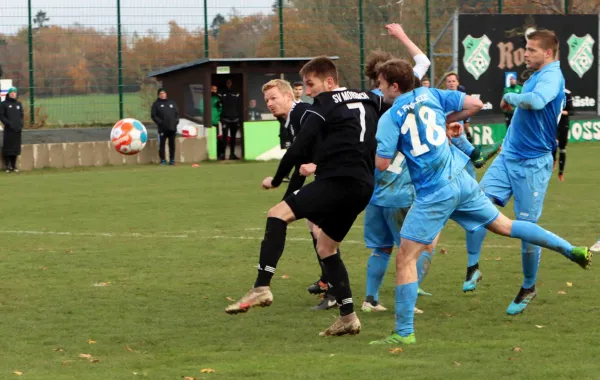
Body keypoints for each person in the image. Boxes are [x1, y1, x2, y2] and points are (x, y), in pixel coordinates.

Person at [369, 58, 592, 345]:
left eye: (381, 83)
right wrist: (444, 121)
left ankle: (403, 333)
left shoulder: (390, 117)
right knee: (507, 225)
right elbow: (474, 104)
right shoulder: (432, 94)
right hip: (462, 181)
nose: (379, 88)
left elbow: (383, 163)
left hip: (434, 192)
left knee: (405, 258)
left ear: (394, 86)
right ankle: (569, 249)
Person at [226, 56, 387, 338]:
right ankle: (348, 317)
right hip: (364, 185)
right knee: (326, 247)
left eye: (311, 85)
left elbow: (298, 149)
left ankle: (262, 286)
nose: (308, 92)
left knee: (277, 215)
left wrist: (276, 180)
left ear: (329, 81)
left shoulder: (324, 105)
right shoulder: (369, 98)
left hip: (338, 180)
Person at [466, 30, 585, 313]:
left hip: (532, 164)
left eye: (531, 50)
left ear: (547, 53)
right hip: (508, 157)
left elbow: (537, 101)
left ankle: (529, 286)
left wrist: (511, 96)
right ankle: (473, 267)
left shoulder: (553, 77)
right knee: (476, 205)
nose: (526, 54)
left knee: (526, 229)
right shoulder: (537, 75)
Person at [361, 24, 434, 314]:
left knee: (381, 247)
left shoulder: (365, 98)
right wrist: (402, 35)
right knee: (415, 247)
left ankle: (370, 299)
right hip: (398, 185)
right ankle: (408, 300)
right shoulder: (395, 97)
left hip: (373, 185)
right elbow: (424, 63)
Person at [262, 78, 335, 311]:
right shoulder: (291, 121)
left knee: (321, 231)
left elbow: (322, 144)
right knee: (313, 226)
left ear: (288, 96)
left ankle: (333, 290)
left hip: (337, 174)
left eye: (274, 98)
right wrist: (287, 199)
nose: (270, 104)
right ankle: (327, 280)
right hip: (326, 175)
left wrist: (276, 181)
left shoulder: (303, 112)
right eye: (266, 100)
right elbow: (300, 161)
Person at [151, 88, 179, 166]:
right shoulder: (156, 104)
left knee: (172, 145)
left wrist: (176, 121)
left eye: (164, 93)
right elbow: (153, 115)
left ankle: (172, 160)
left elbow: (177, 114)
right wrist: (160, 122)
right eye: (161, 93)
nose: (162, 95)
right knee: (162, 145)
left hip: (172, 128)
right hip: (162, 129)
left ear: (166, 94)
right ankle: (163, 160)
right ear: (158, 95)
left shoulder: (172, 103)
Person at [0, 87, 24, 173]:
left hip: (17, 130)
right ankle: (7, 166)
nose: (13, 94)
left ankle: (14, 166)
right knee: (8, 148)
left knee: (15, 148)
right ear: (9, 94)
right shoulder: (4, 104)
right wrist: (8, 123)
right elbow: (1, 115)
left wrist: (21, 124)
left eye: (14, 92)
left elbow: (21, 115)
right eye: (11, 92)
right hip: (9, 130)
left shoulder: (19, 104)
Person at [553, 88, 573, 182]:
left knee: (562, 149)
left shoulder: (567, 94)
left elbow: (571, 111)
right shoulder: (552, 92)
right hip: (554, 123)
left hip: (563, 124)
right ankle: (553, 160)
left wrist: (561, 112)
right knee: (553, 144)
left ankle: (561, 173)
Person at [219, 79, 242, 160]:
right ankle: (223, 154)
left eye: (230, 82)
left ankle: (232, 154)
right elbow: (218, 105)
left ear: (232, 83)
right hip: (225, 118)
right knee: (224, 138)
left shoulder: (236, 93)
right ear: (226, 83)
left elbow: (239, 106)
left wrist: (239, 118)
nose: (229, 84)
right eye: (227, 82)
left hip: (235, 119)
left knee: (233, 138)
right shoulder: (222, 93)